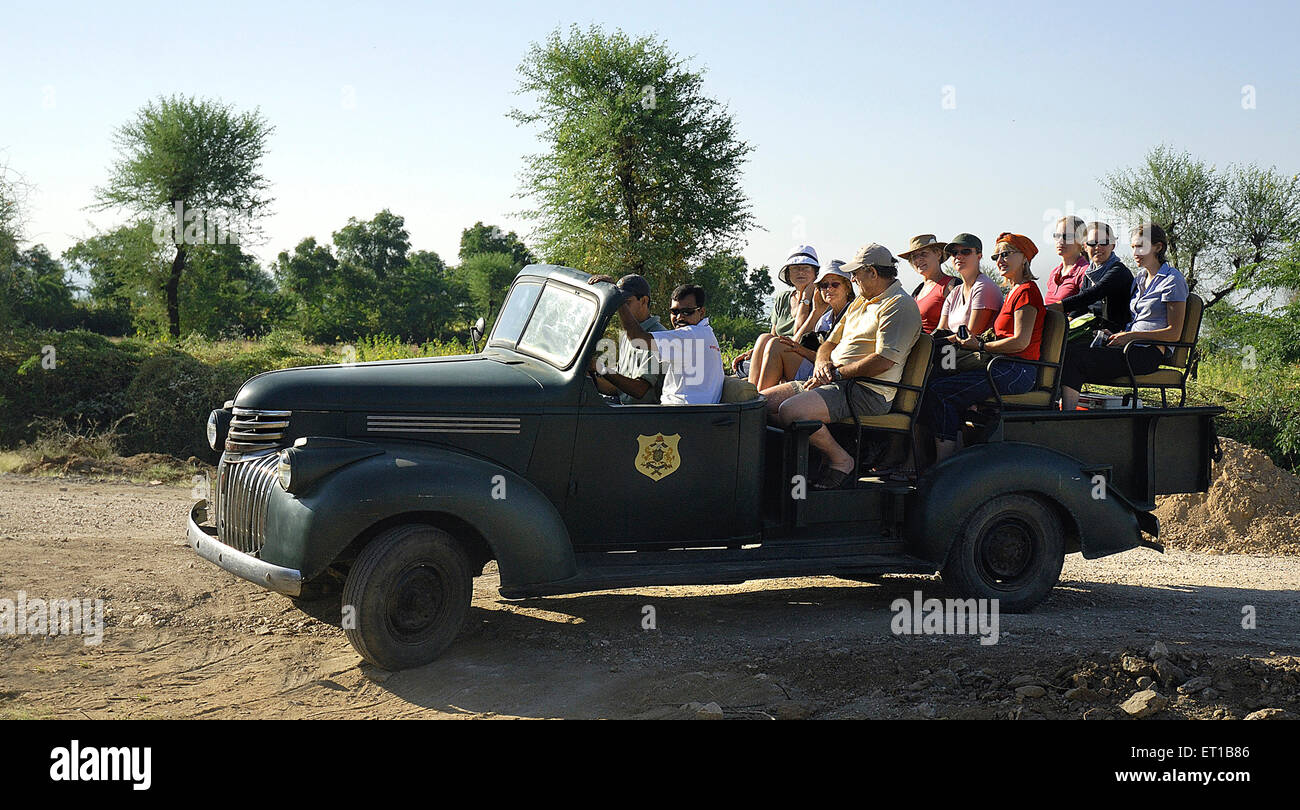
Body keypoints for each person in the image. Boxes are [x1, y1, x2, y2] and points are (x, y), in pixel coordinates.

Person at [764, 243, 921, 490]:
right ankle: (792, 470)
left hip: (868, 390)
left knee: (791, 411)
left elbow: (884, 361)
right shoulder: (861, 302)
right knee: (759, 404)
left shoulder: (899, 305)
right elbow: (828, 344)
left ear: (872, 272)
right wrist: (823, 364)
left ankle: (841, 461)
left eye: (856, 273)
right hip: (836, 381)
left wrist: (834, 374)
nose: (853, 278)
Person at [920, 233, 1045, 464]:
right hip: (1002, 365)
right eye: (997, 255)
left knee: (940, 390)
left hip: (1017, 370)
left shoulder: (1027, 291)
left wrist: (981, 345)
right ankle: (952, 455)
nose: (1000, 260)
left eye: (1006, 254)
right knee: (935, 383)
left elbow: (1020, 342)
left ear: (1024, 258)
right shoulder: (1012, 292)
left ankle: (946, 463)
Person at [1059, 223, 1187, 411]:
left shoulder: (1172, 280)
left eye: (1140, 246)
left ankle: (1067, 417)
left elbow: (1174, 334)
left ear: (1158, 247)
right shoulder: (1140, 279)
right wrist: (1117, 333)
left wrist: (1131, 337)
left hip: (1147, 353)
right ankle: (1062, 409)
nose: (1135, 252)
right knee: (1068, 349)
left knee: (1075, 358)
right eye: (1133, 246)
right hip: (1130, 346)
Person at [748, 260, 855, 389]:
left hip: (834, 375)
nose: (829, 289)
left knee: (776, 345)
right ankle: (753, 393)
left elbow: (839, 360)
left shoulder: (853, 316)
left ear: (847, 287)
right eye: (824, 285)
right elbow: (800, 343)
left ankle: (758, 399)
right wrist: (816, 311)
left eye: (835, 284)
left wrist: (802, 351)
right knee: (769, 340)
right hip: (818, 368)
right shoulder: (825, 318)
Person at [617, 283, 724, 405]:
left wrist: (618, 299)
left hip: (680, 415)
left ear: (701, 312)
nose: (679, 317)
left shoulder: (689, 335)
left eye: (687, 312)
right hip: (688, 413)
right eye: (674, 311)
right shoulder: (706, 333)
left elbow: (636, 338)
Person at [732, 246, 820, 378]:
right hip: (773, 351)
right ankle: (752, 389)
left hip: (798, 356)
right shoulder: (782, 298)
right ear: (788, 273)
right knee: (752, 352)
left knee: (772, 348)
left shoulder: (821, 299)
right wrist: (755, 351)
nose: (800, 272)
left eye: (806, 268)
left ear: (815, 273)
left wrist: (806, 298)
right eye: (795, 268)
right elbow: (772, 335)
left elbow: (799, 339)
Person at [586, 273, 667, 403]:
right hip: (625, 413)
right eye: (619, 304)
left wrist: (599, 367)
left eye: (626, 303)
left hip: (648, 419)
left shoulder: (657, 337)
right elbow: (618, 389)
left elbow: (639, 390)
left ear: (644, 301)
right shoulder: (627, 336)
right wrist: (588, 375)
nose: (621, 310)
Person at [1053, 221, 1134, 340]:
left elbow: (1093, 294)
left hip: (1115, 336)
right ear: (1085, 247)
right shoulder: (1089, 274)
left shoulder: (1118, 271)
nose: (1098, 247)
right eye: (1092, 243)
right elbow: (1081, 307)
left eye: (1104, 242)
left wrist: (1051, 307)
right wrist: (1065, 326)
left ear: (1113, 245)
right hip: (1095, 332)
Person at [935, 232, 1002, 340]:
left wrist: (938, 342)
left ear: (979, 256)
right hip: (953, 351)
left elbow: (970, 336)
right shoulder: (954, 293)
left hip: (975, 353)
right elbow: (941, 330)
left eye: (966, 252)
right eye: (954, 253)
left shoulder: (984, 286)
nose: (958, 256)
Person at [899, 234, 955, 334]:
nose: (918, 260)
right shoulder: (918, 291)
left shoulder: (951, 285)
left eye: (923, 254)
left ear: (938, 254)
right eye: (914, 256)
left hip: (940, 347)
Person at [1045, 216, 1090, 305]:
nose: (1060, 241)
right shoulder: (1054, 273)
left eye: (1067, 236)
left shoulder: (1086, 272)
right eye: (1057, 236)